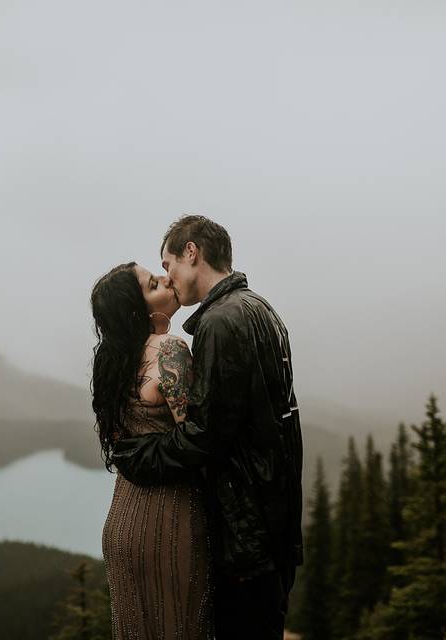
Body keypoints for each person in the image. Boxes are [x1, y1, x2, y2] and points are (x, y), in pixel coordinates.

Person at [110, 215, 304, 640]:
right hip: (271, 523)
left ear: (192, 252)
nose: (167, 275)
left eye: (168, 263)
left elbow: (207, 435)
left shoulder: (220, 322)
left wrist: (140, 456)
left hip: (245, 533)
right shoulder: (260, 308)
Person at [90, 260, 214, 639]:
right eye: (152, 284)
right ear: (139, 310)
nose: (165, 280)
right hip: (170, 518)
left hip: (122, 521)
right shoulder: (171, 350)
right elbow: (196, 437)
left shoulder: (111, 363)